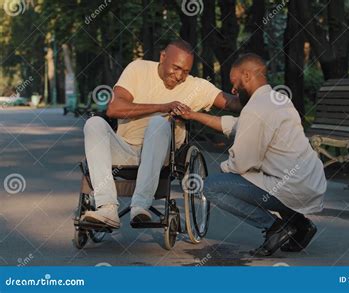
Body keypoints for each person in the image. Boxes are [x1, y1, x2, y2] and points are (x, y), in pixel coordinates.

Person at [178, 53, 327, 257]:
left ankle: (275, 227)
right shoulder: (279, 99)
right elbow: (233, 125)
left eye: (234, 82)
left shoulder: (255, 110)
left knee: (212, 186)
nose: (232, 90)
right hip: (311, 183)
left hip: (291, 187)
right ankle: (301, 225)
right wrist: (192, 115)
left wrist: (224, 170)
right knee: (267, 178)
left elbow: (241, 165)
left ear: (246, 76)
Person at [81, 40, 241, 229]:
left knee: (158, 122)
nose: (180, 75)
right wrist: (163, 107)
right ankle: (107, 208)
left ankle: (140, 205)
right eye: (176, 68)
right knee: (93, 123)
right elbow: (114, 109)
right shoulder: (138, 69)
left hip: (164, 155)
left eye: (186, 71)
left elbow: (231, 103)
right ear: (162, 57)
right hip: (126, 149)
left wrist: (256, 95)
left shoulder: (197, 87)